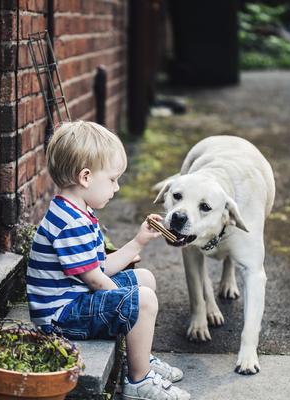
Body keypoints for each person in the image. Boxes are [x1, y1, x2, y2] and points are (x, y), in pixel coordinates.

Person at [27, 121, 190, 400]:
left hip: (75, 301)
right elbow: (94, 279)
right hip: (61, 318)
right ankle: (138, 381)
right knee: (143, 299)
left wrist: (138, 241)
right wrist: (129, 302)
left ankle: (140, 358)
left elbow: (98, 267)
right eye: (113, 179)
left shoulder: (77, 211)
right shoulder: (70, 223)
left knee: (145, 279)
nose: (117, 187)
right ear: (86, 177)